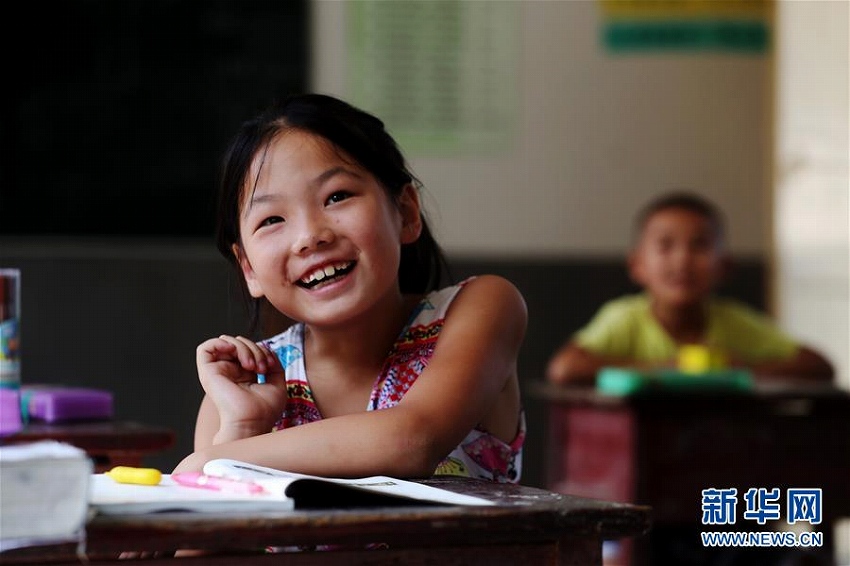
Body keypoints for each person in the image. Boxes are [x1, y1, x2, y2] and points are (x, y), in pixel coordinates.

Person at [173, 93, 528, 483]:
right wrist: (241, 430)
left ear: (406, 212)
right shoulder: (237, 393)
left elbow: (411, 440)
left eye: (337, 196)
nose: (310, 236)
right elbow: (205, 546)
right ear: (248, 268)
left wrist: (208, 463)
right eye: (272, 219)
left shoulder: (482, 306)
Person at [546, 191, 834, 385]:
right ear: (637, 266)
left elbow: (818, 367)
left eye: (700, 245)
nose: (682, 260)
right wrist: (671, 371)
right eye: (665, 245)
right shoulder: (626, 319)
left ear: (724, 267)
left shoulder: (732, 323)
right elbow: (564, 369)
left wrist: (736, 373)